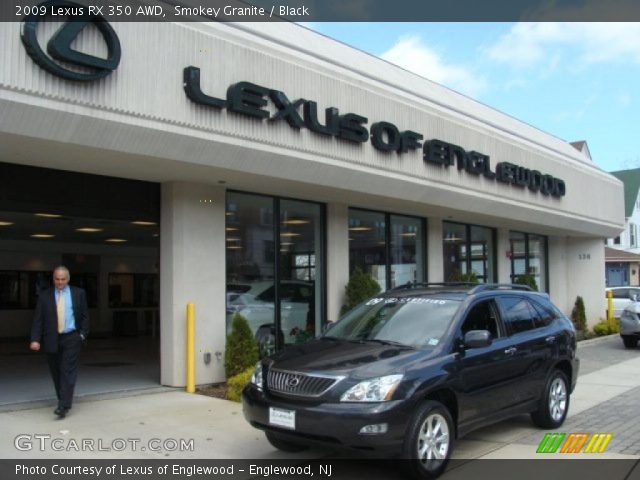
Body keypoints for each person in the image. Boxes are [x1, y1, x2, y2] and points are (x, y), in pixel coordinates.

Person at [29, 266, 89, 418]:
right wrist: (35, 339)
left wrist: (81, 335)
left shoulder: (78, 293)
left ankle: (63, 406)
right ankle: (62, 399)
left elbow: (84, 316)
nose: (60, 282)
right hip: (52, 338)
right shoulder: (44, 296)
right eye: (57, 279)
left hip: (71, 338)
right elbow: (38, 319)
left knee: (67, 371)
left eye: (63, 279)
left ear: (68, 279)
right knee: (56, 372)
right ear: (53, 279)